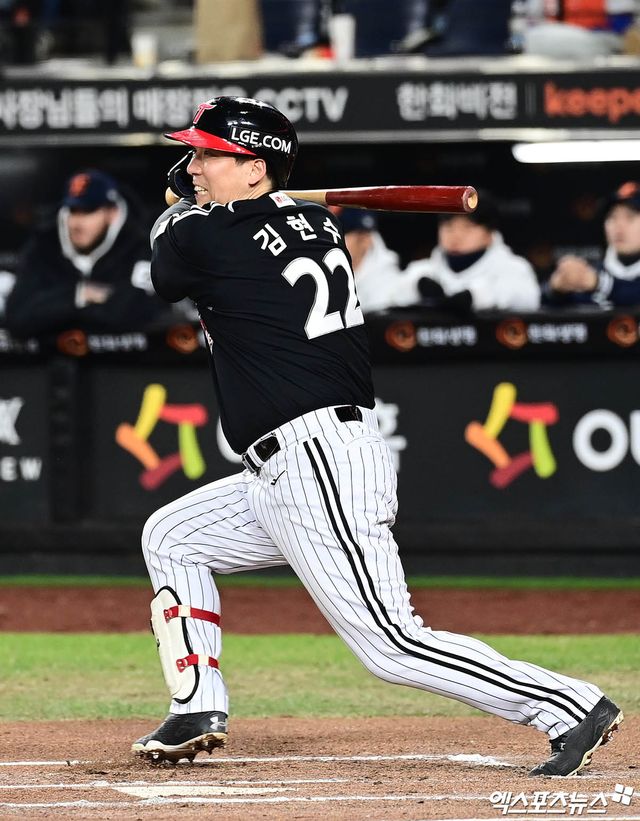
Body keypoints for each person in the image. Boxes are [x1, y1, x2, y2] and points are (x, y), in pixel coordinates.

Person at [132, 96, 623, 776]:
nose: (192, 167)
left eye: (207, 154)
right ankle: (197, 705)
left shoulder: (211, 234)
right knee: (171, 535)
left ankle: (567, 704)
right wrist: (205, 202)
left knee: (390, 643)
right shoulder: (315, 223)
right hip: (283, 466)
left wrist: (176, 207)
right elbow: (246, 231)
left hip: (316, 459)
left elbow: (165, 268)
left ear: (254, 167)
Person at [4, 169, 168, 338]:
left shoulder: (143, 245)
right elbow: (17, 318)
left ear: (112, 213)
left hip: (127, 361)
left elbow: (137, 313)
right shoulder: (43, 246)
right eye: (73, 211)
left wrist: (56, 311)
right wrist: (80, 293)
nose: (78, 222)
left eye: (88, 211)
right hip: (50, 361)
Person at [402, 192, 541, 313]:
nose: (456, 235)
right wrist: (416, 288)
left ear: (489, 233)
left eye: (467, 227)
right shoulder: (421, 271)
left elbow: (527, 299)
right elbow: (389, 297)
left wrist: (474, 297)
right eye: (448, 227)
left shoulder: (514, 268)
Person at [543, 181, 640, 308]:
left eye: (630, 217)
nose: (619, 226)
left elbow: (633, 294)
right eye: (612, 217)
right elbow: (539, 307)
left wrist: (599, 284)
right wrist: (556, 288)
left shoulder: (594, 279)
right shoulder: (588, 275)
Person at [335, 207, 410, 313]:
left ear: (365, 240)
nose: (333, 241)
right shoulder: (330, 269)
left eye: (340, 235)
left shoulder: (390, 283)